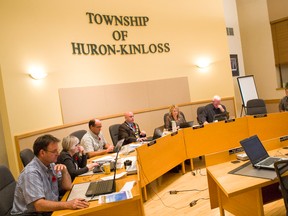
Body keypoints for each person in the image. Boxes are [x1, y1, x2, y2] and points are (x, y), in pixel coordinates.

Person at [11, 134, 89, 216]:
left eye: (57, 150)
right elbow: (39, 205)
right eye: (54, 151)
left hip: (46, 210)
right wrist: (67, 204)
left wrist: (65, 171)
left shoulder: (51, 164)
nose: (58, 154)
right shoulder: (31, 173)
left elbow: (67, 186)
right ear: (42, 153)